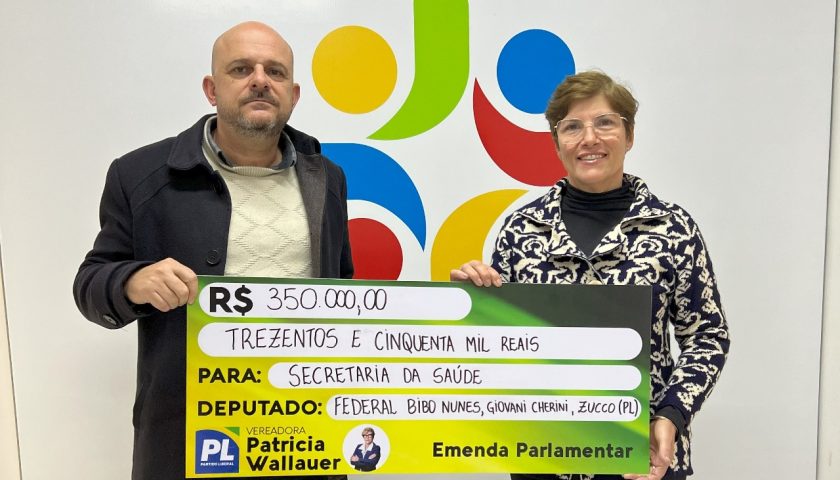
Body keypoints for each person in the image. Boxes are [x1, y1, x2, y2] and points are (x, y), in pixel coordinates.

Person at [73, 21, 352, 480]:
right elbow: (90, 283)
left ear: (294, 94)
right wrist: (132, 281)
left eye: (275, 72)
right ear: (212, 89)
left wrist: (466, 301)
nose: (260, 80)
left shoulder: (328, 178)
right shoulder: (140, 175)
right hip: (189, 439)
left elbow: (343, 291)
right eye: (241, 69)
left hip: (304, 436)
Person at [451, 71, 730, 480]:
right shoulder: (521, 229)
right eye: (572, 127)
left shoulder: (674, 228)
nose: (589, 138)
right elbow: (503, 344)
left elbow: (707, 336)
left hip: (643, 456)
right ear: (557, 142)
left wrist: (672, 413)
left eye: (605, 123)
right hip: (542, 455)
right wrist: (473, 307)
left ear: (629, 135)